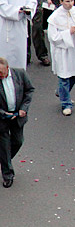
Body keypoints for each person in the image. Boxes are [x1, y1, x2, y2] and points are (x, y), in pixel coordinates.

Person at [47, 0, 75, 116]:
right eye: (67, 1)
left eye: (71, 1)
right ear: (61, 2)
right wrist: (68, 33)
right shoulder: (55, 17)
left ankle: (62, 91)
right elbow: (53, 37)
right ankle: (66, 103)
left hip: (74, 48)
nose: (70, 4)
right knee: (64, 76)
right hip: (62, 50)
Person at [0, 57, 34, 188]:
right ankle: (7, 174)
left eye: (1, 73)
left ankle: (4, 160)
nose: (0, 76)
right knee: (4, 145)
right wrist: (3, 113)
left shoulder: (20, 74)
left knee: (18, 141)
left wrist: (23, 109)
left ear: (8, 68)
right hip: (2, 119)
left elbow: (29, 90)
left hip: (17, 116)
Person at [0, 0, 37, 69]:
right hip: (7, 24)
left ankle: (20, 78)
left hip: (21, 23)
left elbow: (33, 0)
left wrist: (28, 9)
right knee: (6, 53)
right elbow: (2, 5)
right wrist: (17, 10)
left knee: (20, 54)